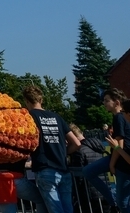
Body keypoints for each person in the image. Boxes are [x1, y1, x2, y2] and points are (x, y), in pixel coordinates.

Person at [22, 85, 80, 213]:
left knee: (56, 210)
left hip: (45, 169)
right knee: (68, 208)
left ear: (26, 101)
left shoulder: (29, 117)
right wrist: (63, 152)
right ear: (41, 100)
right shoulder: (56, 117)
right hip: (63, 169)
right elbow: (76, 142)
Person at [82, 88, 130, 213]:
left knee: (123, 202)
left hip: (123, 160)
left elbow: (119, 145)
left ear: (117, 103)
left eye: (107, 101)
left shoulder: (119, 117)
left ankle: (114, 202)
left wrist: (112, 164)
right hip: (122, 158)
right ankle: (113, 201)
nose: (104, 103)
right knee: (123, 201)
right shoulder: (125, 116)